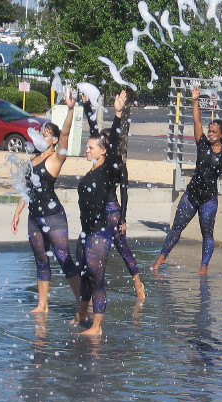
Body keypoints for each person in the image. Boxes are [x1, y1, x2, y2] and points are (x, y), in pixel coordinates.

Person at [151, 84, 222, 275]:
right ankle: (162, 257)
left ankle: (203, 266)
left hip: (209, 200)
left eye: (214, 132)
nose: (210, 133)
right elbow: (197, 121)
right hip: (191, 195)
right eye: (210, 130)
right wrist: (195, 100)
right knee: (176, 228)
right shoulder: (202, 144)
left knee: (207, 234)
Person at [11, 92, 80, 313]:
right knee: (41, 260)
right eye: (42, 132)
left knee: (63, 258)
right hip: (34, 217)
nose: (42, 135)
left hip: (53, 216)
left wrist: (71, 109)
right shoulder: (33, 160)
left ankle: (83, 303)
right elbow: (27, 189)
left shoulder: (56, 159)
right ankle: (42, 305)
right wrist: (17, 212)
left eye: (47, 134)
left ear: (54, 140)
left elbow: (67, 133)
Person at [72, 93, 127, 336]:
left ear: (102, 152)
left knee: (96, 278)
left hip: (99, 234)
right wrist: (86, 106)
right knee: (84, 275)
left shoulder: (107, 169)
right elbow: (95, 132)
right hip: (85, 233)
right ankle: (81, 314)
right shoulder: (92, 170)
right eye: (87, 146)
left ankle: (97, 327)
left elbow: (112, 141)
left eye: (90, 147)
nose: (87, 148)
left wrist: (117, 114)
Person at [83, 92, 145, 299]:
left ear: (107, 147)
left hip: (111, 210)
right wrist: (86, 106)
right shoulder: (98, 163)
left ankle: (137, 282)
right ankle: (92, 294)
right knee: (94, 251)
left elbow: (124, 192)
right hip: (100, 212)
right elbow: (93, 130)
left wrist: (124, 218)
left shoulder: (116, 165)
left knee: (121, 247)